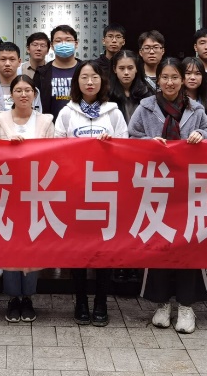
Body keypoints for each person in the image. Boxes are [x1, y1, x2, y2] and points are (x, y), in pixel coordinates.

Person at [128, 57, 207, 335]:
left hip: (188, 188)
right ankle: (162, 304)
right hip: (156, 186)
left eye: (175, 77)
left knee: (188, 244)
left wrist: (200, 134)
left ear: (183, 79)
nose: (170, 82)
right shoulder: (145, 107)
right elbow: (130, 138)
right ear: (158, 80)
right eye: (164, 77)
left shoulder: (196, 109)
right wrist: (147, 143)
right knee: (159, 243)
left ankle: (186, 306)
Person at [54, 59, 128, 327]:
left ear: (102, 81)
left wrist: (112, 146)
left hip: (105, 190)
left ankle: (101, 301)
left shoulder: (114, 113)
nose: (89, 82)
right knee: (78, 248)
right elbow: (56, 151)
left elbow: (126, 149)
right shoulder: (67, 113)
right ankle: (81, 301)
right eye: (84, 77)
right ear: (77, 82)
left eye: (94, 77)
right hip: (76, 190)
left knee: (104, 247)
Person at [0, 75, 54, 323]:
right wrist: (8, 146)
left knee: (31, 244)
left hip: (35, 190)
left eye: (28, 90)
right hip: (6, 191)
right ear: (11, 95)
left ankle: (28, 297)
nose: (23, 94)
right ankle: (12, 298)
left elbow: (54, 153)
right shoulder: (0, 119)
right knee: (9, 243)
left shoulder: (46, 121)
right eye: (18, 90)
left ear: (34, 94)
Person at [0, 42, 41, 122]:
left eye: (12, 59)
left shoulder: (32, 91)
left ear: (19, 62)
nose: (7, 64)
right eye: (3, 59)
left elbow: (38, 121)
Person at [36, 25, 80, 117]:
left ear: (76, 44)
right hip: (50, 123)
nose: (63, 44)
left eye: (68, 40)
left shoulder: (87, 70)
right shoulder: (41, 73)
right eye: (58, 41)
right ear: (52, 45)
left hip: (81, 123)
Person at [109, 50, 152, 125]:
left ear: (136, 69)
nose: (126, 72)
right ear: (115, 69)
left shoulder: (146, 92)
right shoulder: (107, 93)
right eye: (121, 68)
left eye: (130, 68)